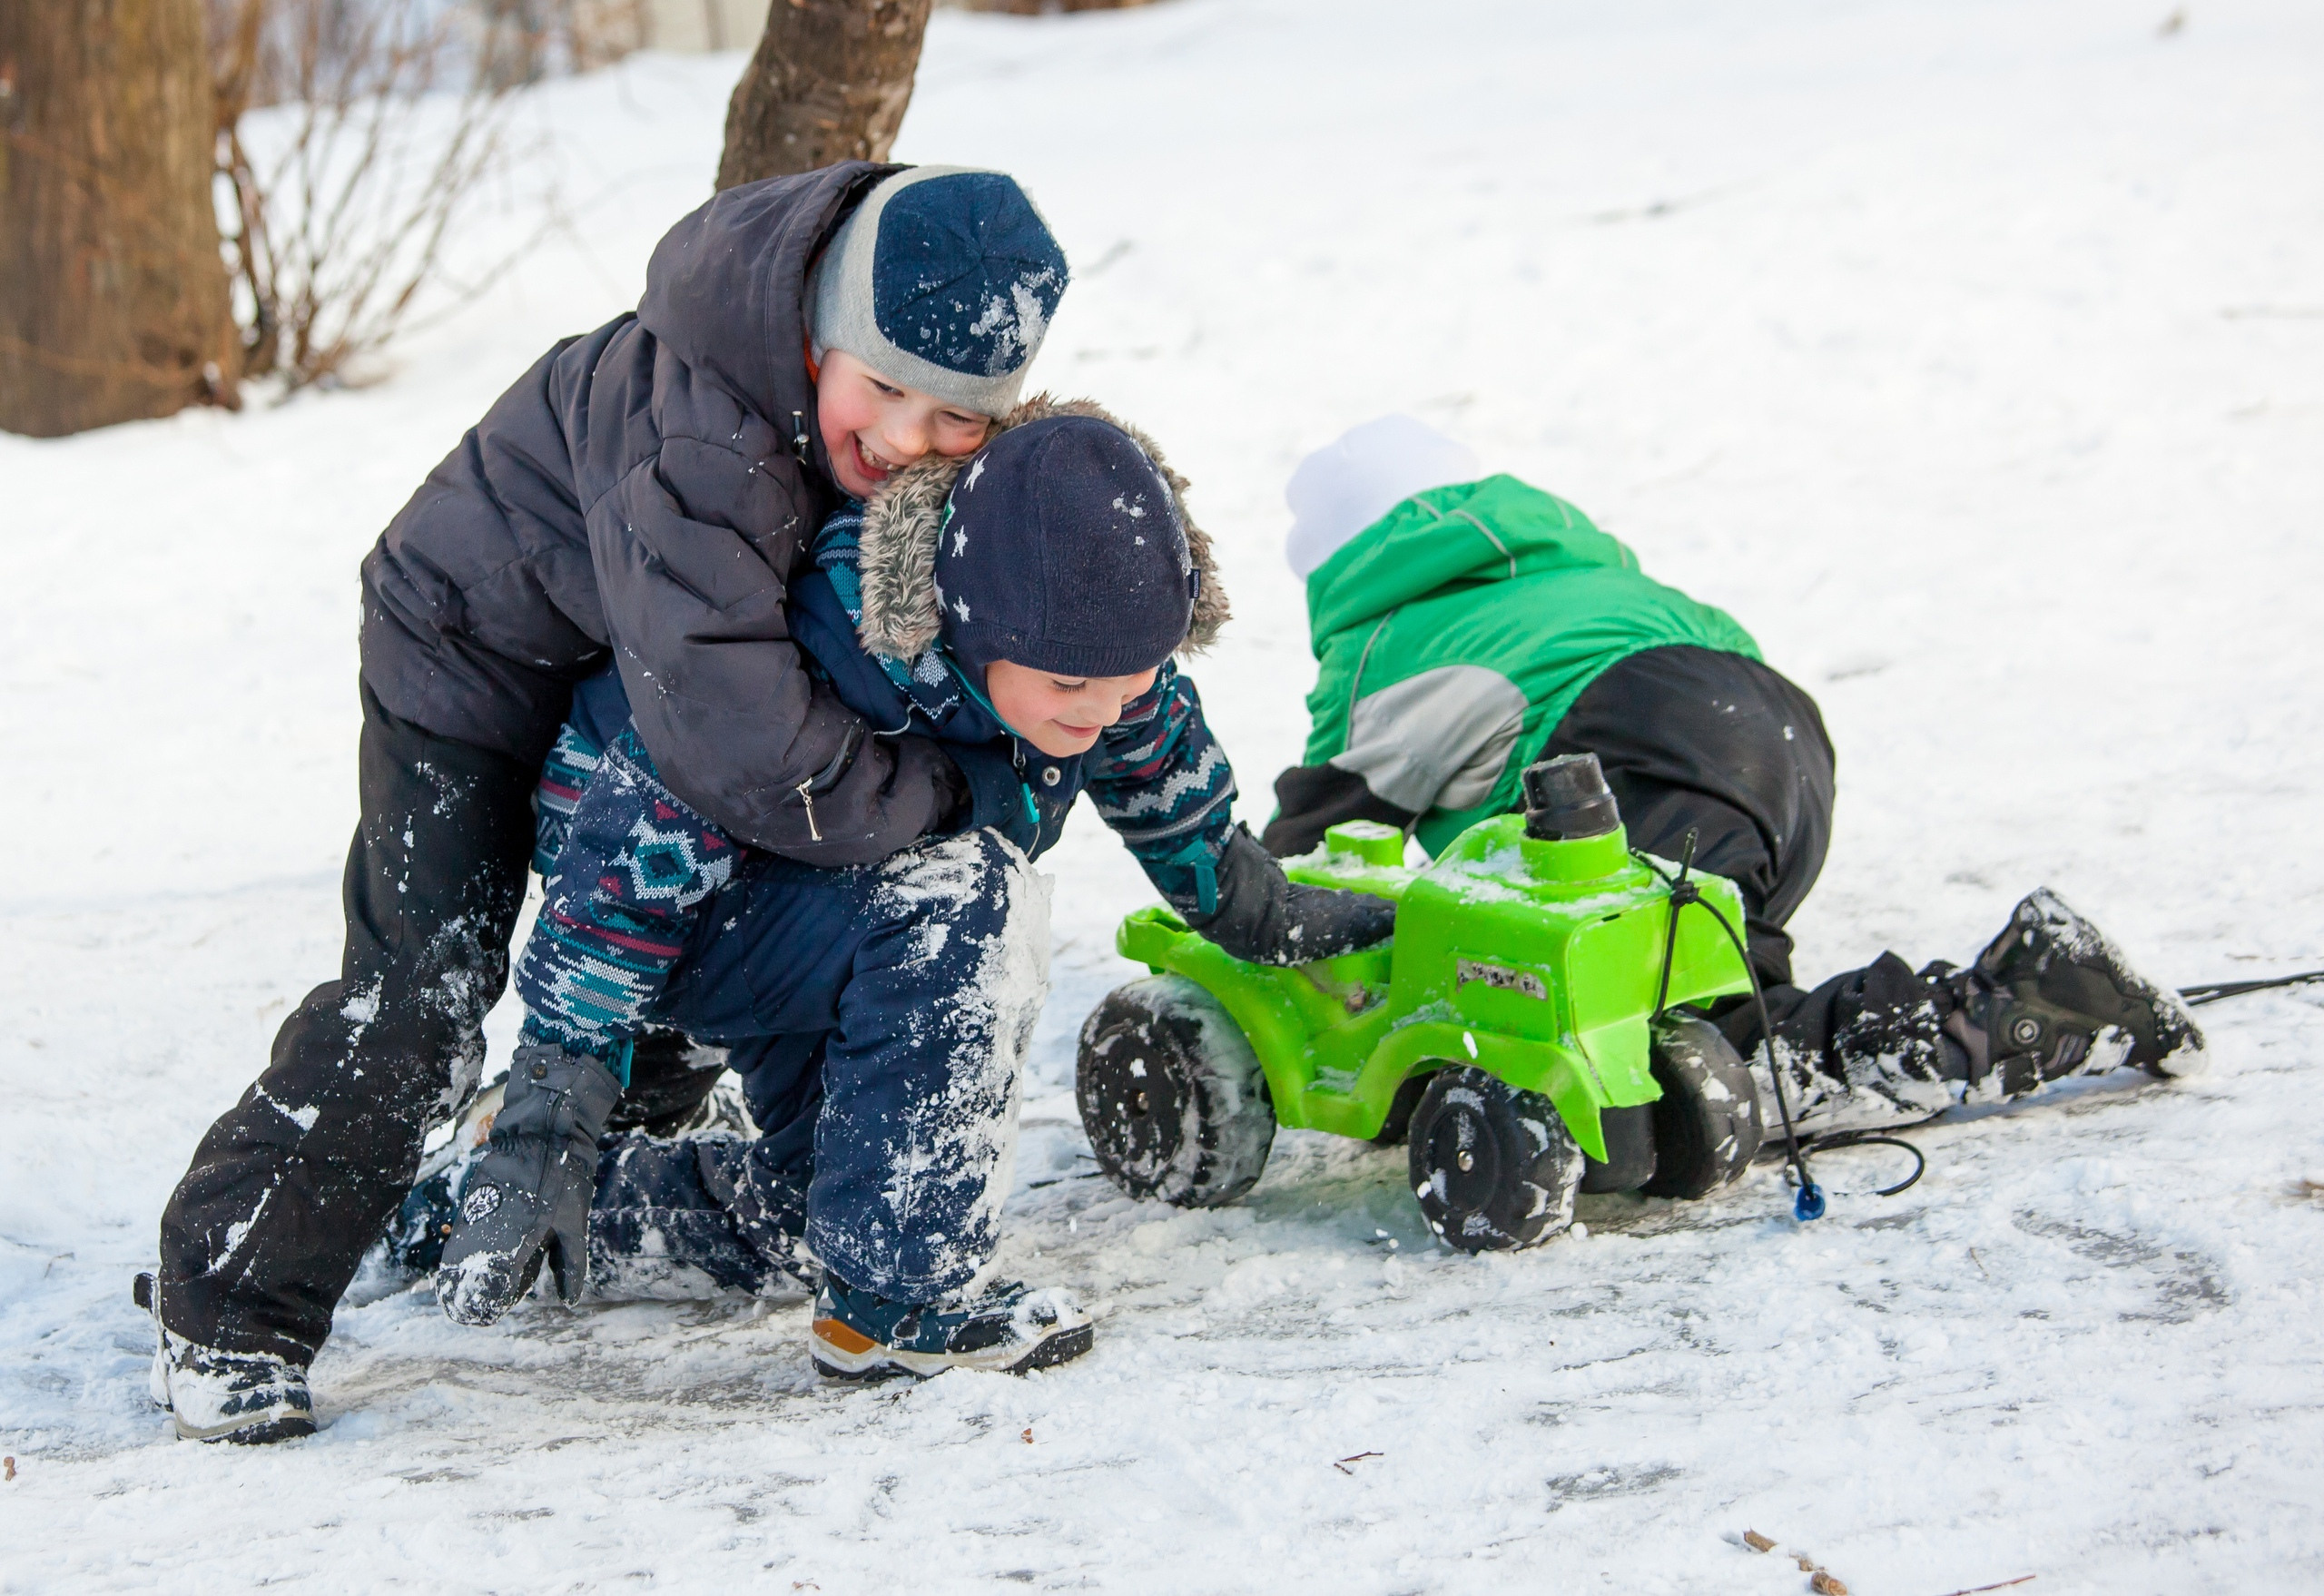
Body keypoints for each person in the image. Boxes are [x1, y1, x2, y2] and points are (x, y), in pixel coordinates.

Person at [145, 163, 1080, 1444]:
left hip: (623, 661)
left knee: (698, 880)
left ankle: (610, 1122)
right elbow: (742, 742)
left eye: (958, 419)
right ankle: (229, 1301)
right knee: (426, 992)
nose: (908, 439)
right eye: (884, 389)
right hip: (467, 662)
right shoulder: (703, 437)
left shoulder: (835, 425)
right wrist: (951, 788)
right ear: (819, 333)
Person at [420, 405, 1393, 1379]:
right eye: (1069, 687)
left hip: (840, 903)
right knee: (970, 897)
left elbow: (1161, 769)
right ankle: (897, 1302)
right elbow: (621, 877)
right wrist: (547, 1117)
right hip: (682, 902)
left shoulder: (1094, 657)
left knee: (816, 1215)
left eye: (1135, 677)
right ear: (977, 627)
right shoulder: (812, 664)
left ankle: (452, 1211)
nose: (1103, 713)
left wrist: (1259, 911)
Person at [1262, 416, 2206, 1146]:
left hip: (1638, 750)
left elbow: (1306, 861)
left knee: (1688, 1060)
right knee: (1697, 972)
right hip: (1783, 755)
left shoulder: (1384, 648)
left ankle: (2014, 1011)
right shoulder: (1597, 581)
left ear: (1335, 565)